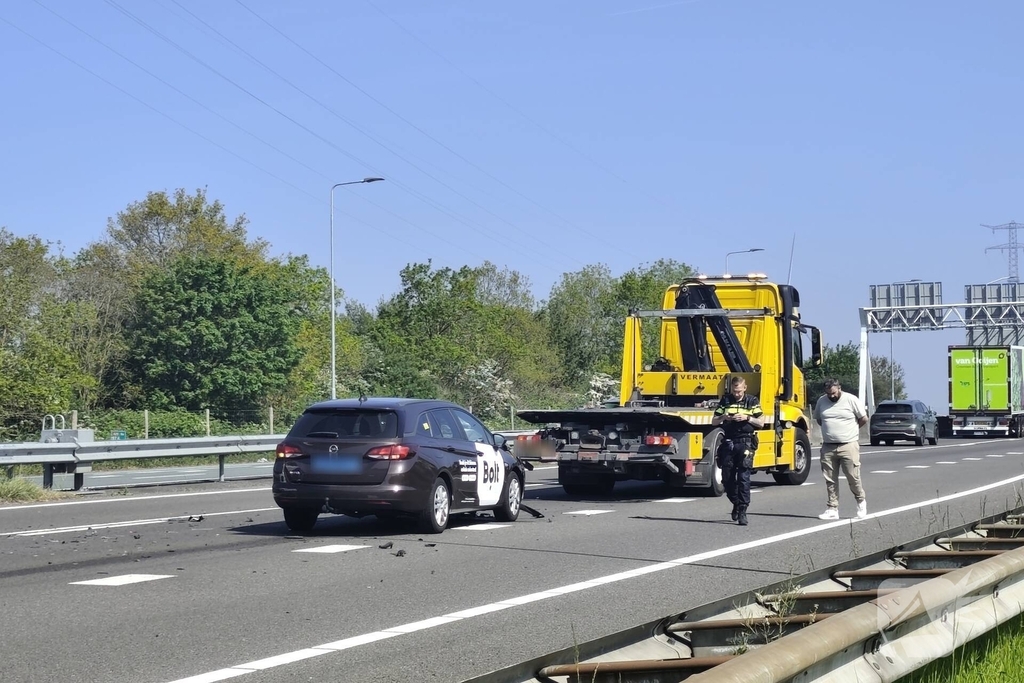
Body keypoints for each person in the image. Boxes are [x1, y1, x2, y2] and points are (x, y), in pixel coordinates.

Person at [813, 378, 869, 520]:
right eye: (828, 394)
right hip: (828, 446)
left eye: (833, 393)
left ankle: (861, 502)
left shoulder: (851, 399)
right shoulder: (821, 401)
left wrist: (851, 431)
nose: (831, 396)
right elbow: (819, 419)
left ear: (839, 388)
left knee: (853, 476)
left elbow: (863, 418)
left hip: (848, 444)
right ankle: (832, 508)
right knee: (830, 479)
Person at [712, 376, 764, 526]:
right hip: (729, 442)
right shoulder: (726, 401)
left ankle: (742, 511)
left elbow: (761, 422)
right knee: (726, 478)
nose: (737, 394)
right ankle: (735, 501)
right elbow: (714, 421)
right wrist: (724, 417)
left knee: (743, 478)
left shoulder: (752, 401)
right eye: (735, 391)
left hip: (746, 441)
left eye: (739, 391)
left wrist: (747, 418)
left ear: (745, 388)